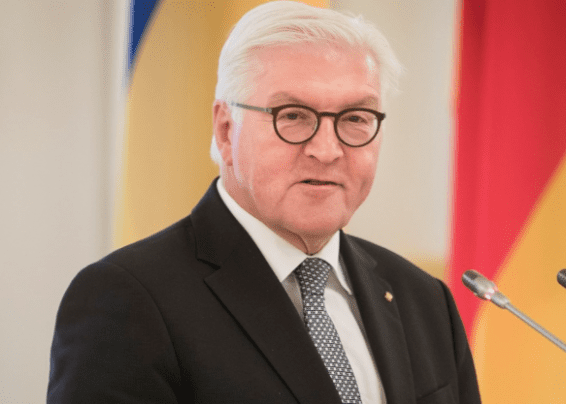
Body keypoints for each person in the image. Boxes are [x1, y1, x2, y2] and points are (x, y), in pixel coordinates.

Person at [47, 2, 480, 403]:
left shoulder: (425, 300)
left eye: (355, 118)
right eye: (292, 116)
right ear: (225, 130)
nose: (326, 150)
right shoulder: (128, 299)